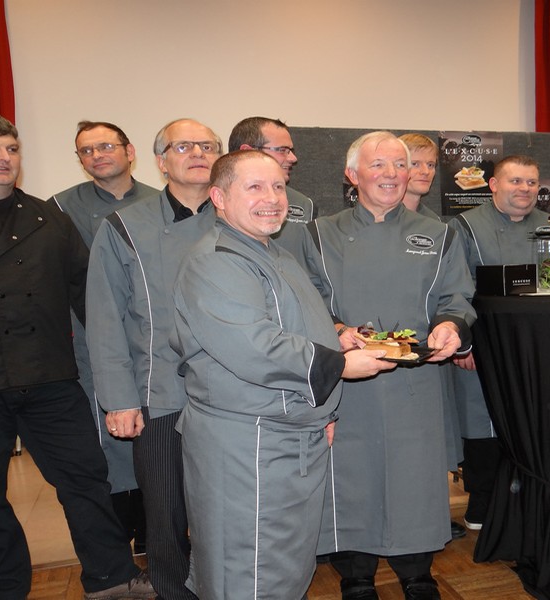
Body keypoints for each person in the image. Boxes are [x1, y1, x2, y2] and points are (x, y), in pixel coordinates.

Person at [0, 110, 154, 599]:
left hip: (50, 382)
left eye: (11, 148)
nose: (4, 157)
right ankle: (6, 588)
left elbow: (94, 300)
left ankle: (113, 580)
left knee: (87, 483)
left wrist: (135, 361)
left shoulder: (48, 219)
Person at [171, 149, 395, 599]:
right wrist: (340, 366)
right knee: (248, 568)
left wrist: (338, 340)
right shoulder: (216, 260)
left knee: (284, 566)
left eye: (278, 186)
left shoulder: (271, 251)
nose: (272, 198)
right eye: (254, 187)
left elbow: (296, 324)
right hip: (247, 443)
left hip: (289, 433)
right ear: (219, 196)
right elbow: (254, 346)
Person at [304, 131, 476, 600]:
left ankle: (417, 574)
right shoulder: (319, 234)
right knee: (348, 476)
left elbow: (456, 296)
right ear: (352, 175)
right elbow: (307, 300)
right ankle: (356, 578)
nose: (392, 175)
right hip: (349, 379)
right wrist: (337, 328)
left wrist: (450, 326)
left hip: (415, 382)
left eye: (400, 165)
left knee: (414, 478)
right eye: (378, 165)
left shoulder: (440, 233)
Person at [87, 119, 222, 599]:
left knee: (226, 508)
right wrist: (118, 400)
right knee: (165, 515)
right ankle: (172, 590)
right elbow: (104, 321)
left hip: (234, 394)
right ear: (161, 161)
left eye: (207, 145)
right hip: (160, 392)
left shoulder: (242, 218)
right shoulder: (124, 226)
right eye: (182, 146)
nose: (197, 153)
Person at [52, 120, 158, 554]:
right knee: (107, 440)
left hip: (152, 339)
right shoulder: (58, 209)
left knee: (156, 438)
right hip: (90, 340)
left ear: (130, 151)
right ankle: (120, 533)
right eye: (87, 150)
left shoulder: (160, 203)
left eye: (106, 146)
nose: (98, 155)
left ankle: (159, 530)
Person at [448, 155, 550, 530]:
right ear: (493, 185)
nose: (524, 189)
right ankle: (483, 501)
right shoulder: (464, 227)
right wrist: (465, 343)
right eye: (516, 181)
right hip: (483, 346)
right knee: (482, 424)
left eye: (532, 182)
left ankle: (530, 500)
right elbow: (454, 290)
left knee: (533, 421)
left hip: (539, 346)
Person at [398, 132, 467, 542]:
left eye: (429, 165)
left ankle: (429, 515)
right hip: (382, 352)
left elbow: (455, 292)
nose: (423, 172)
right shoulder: (348, 227)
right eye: (414, 163)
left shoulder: (439, 227)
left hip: (432, 352)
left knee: (432, 439)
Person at [228, 116, 316, 262]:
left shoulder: (303, 204)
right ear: (247, 152)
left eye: (290, 150)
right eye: (282, 150)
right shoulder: (210, 203)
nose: (293, 158)